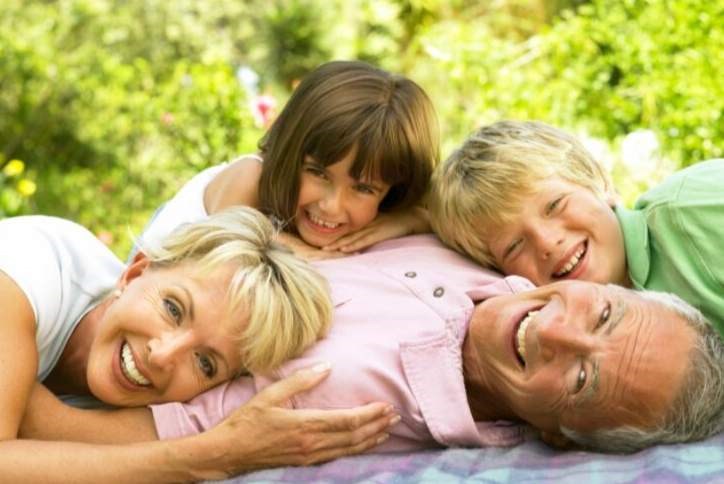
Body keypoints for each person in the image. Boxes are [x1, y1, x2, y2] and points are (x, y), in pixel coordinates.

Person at [19, 235, 724, 478]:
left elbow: (54, 429)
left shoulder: (349, 400)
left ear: (559, 434)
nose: (558, 333)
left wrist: (28, 305)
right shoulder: (498, 260)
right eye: (602, 314)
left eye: (582, 377)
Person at [0, 207, 398, 480]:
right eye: (173, 309)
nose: (162, 356)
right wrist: (212, 455)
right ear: (135, 272)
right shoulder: (28, 270)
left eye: (206, 363)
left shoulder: (150, 409)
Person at [428, 120, 724, 336]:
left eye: (555, 205)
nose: (546, 242)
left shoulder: (696, 208)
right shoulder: (573, 353)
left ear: (599, 181)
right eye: (514, 246)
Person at [141, 60, 439, 261]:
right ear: (290, 152)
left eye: (363, 188)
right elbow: (231, 248)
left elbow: (442, 218)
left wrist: (411, 219)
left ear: (393, 191)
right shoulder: (249, 178)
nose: (332, 206)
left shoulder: (386, 213)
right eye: (318, 173)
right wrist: (306, 252)